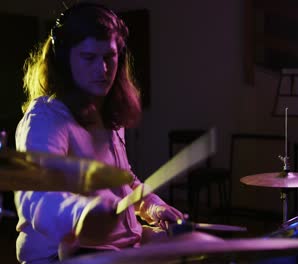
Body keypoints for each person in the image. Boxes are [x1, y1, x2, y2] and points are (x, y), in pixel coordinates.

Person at [14, 3, 183, 263]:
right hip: (59, 257)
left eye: (109, 57)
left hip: (119, 249)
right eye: (89, 58)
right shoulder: (45, 118)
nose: (103, 70)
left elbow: (124, 182)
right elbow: (36, 194)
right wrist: (82, 214)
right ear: (64, 59)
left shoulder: (109, 116)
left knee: (185, 241)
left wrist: (153, 205)